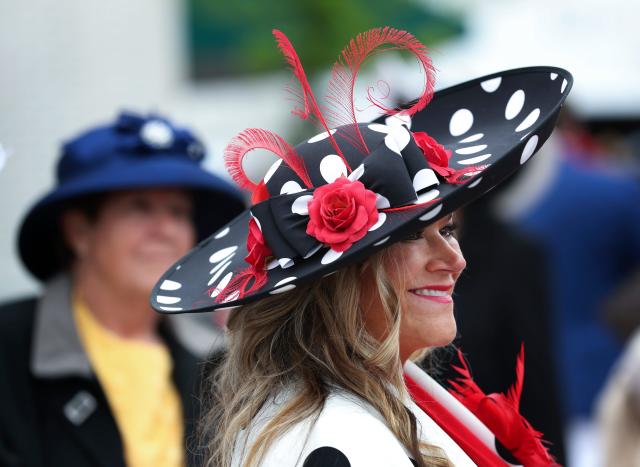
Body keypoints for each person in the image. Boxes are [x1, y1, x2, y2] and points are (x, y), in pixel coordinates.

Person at [150, 28, 572, 466]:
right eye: (410, 235)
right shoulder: (336, 441)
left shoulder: (383, 409)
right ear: (336, 277)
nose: (455, 260)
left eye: (447, 230)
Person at [0, 111, 244, 467]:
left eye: (178, 212)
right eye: (139, 207)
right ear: (79, 232)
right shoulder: (10, 348)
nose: (164, 229)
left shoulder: (219, 360)